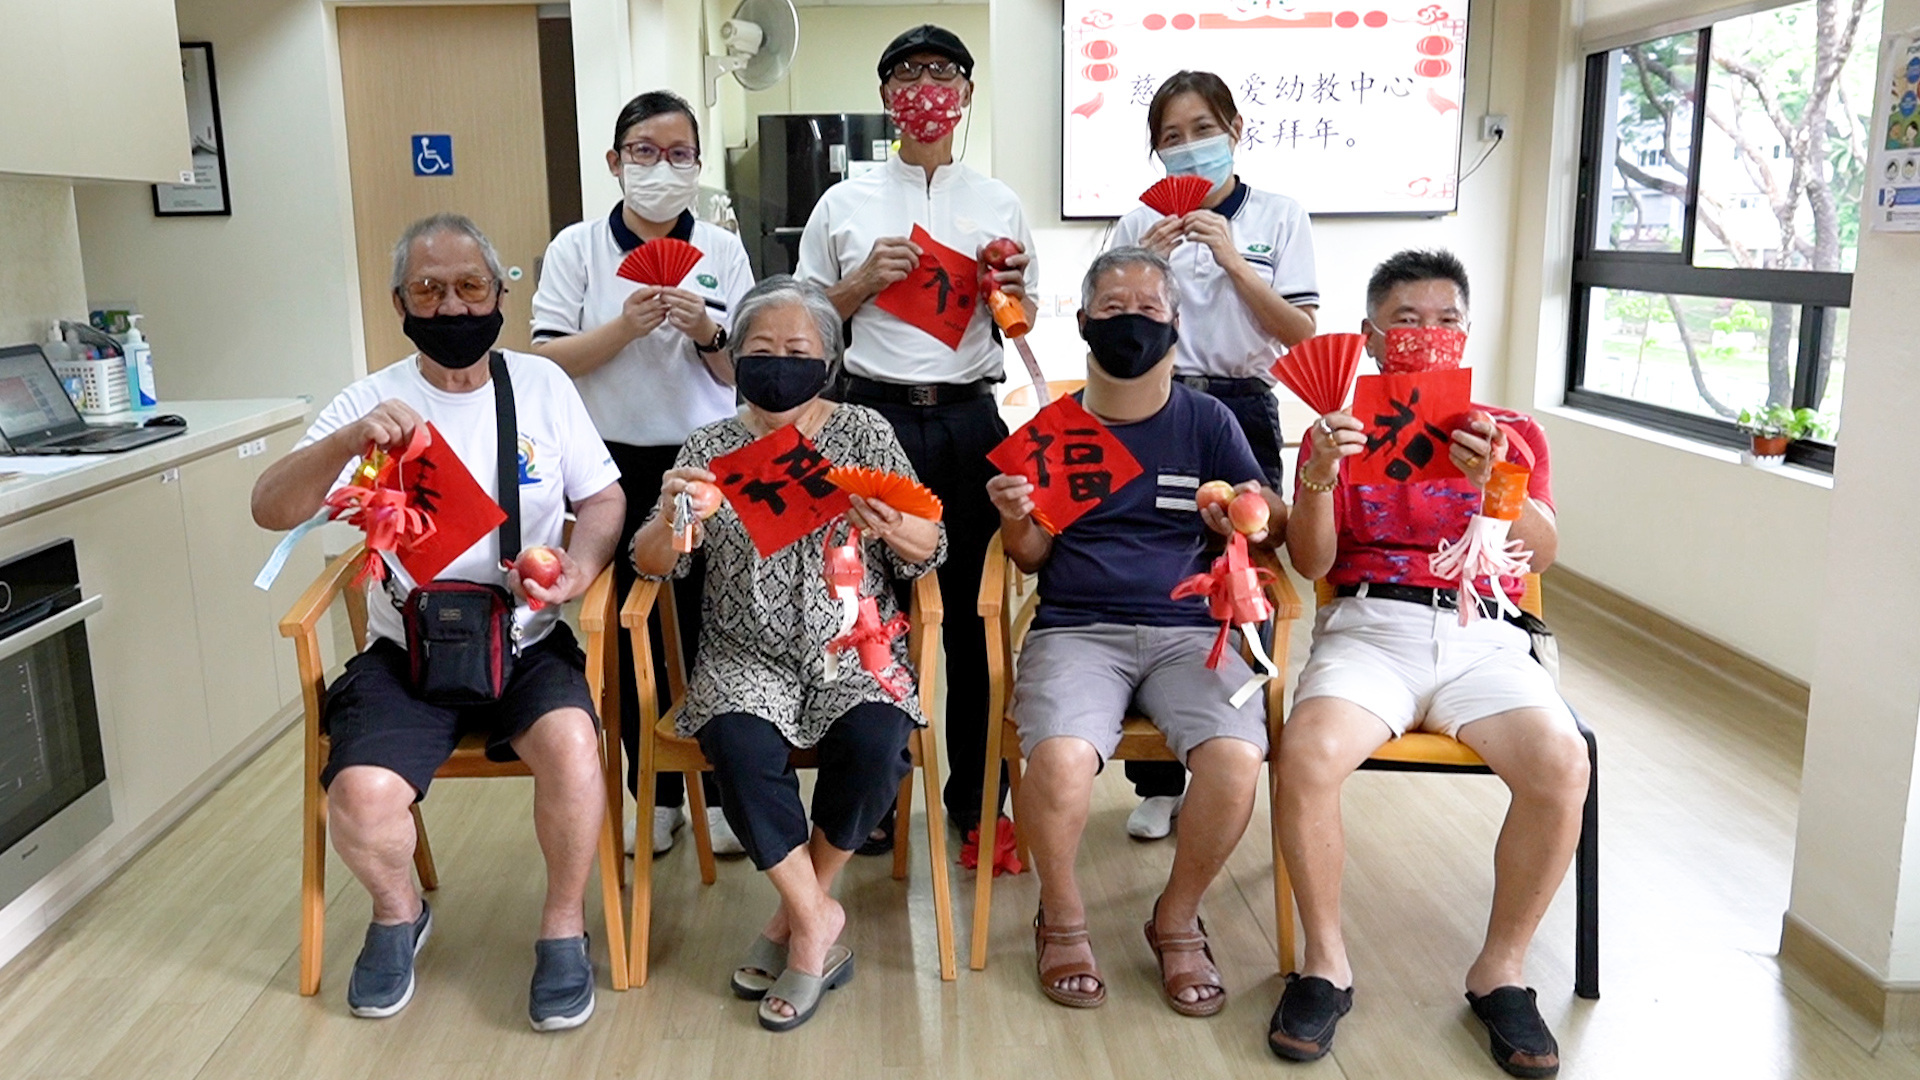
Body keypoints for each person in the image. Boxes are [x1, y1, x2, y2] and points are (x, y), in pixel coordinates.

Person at [251, 214, 624, 1030]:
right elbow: (270, 507)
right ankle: (396, 913)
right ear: (399, 302)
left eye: (470, 288)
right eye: (430, 290)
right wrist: (350, 439)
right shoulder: (369, 399)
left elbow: (602, 498)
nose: (453, 308)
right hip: (406, 652)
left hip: (525, 640)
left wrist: (583, 568)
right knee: (359, 795)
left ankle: (562, 927)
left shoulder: (543, 386)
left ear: (499, 294)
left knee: (572, 747)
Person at [1270, 250, 1588, 1077]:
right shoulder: (1333, 429)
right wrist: (1314, 477)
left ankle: (1502, 972)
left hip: (1485, 629)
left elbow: (1540, 554)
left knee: (1562, 761)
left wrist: (1501, 485)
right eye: (1407, 322)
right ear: (1371, 339)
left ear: (1468, 334)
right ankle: (1325, 962)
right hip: (1371, 626)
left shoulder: (1509, 432)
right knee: (1305, 752)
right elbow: (1311, 564)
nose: (1428, 336)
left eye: (1446, 321)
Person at [630, 277, 946, 1032]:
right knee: (737, 744)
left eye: (797, 350)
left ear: (828, 361)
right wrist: (676, 515)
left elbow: (928, 549)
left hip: (854, 643)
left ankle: (793, 920)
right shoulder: (709, 446)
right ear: (734, 358)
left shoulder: (865, 432)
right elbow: (651, 565)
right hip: (744, 652)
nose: (777, 362)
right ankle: (814, 922)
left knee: (877, 741)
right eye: (760, 350)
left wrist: (895, 527)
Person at [986, 247, 1283, 1015]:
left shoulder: (1208, 419)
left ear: (1177, 325)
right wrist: (1016, 517)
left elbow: (1268, 523)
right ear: (1082, 323)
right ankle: (1063, 914)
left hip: (1193, 630)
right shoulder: (1054, 427)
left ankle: (1177, 918)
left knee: (1234, 759)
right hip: (1077, 629)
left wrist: (1246, 514)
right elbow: (1031, 555)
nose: (1130, 323)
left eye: (1149, 310)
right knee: (1056, 760)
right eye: (1112, 310)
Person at [796, 23, 1036, 849]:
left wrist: (1009, 292)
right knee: (863, 606)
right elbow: (803, 326)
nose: (926, 87)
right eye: (907, 73)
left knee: (973, 609)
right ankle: (874, 800)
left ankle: (974, 797)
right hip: (871, 417)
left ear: (967, 96)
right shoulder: (844, 202)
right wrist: (863, 280)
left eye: (943, 73)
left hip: (970, 415)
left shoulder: (998, 200)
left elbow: (1021, 318)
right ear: (886, 97)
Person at [531, 90, 752, 859]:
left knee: (714, 627)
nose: (663, 167)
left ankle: (720, 788)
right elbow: (548, 361)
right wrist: (624, 328)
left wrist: (710, 331)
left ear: (699, 163)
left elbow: (743, 374)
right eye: (646, 152)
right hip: (609, 465)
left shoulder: (721, 249)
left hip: (703, 460)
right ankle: (652, 794)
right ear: (615, 161)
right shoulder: (578, 248)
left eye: (680, 153)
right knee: (629, 634)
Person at [1108, 70, 1319, 842]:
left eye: (1200, 129)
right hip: (1153, 406)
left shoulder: (1277, 217)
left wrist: (1233, 262)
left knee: (1242, 571)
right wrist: (1147, 263)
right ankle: (1158, 777)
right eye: (1169, 137)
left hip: (1241, 402)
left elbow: (1302, 338)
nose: (1187, 147)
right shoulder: (1139, 219)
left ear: (1234, 127)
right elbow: (1109, 322)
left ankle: (1233, 739)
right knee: (1160, 567)